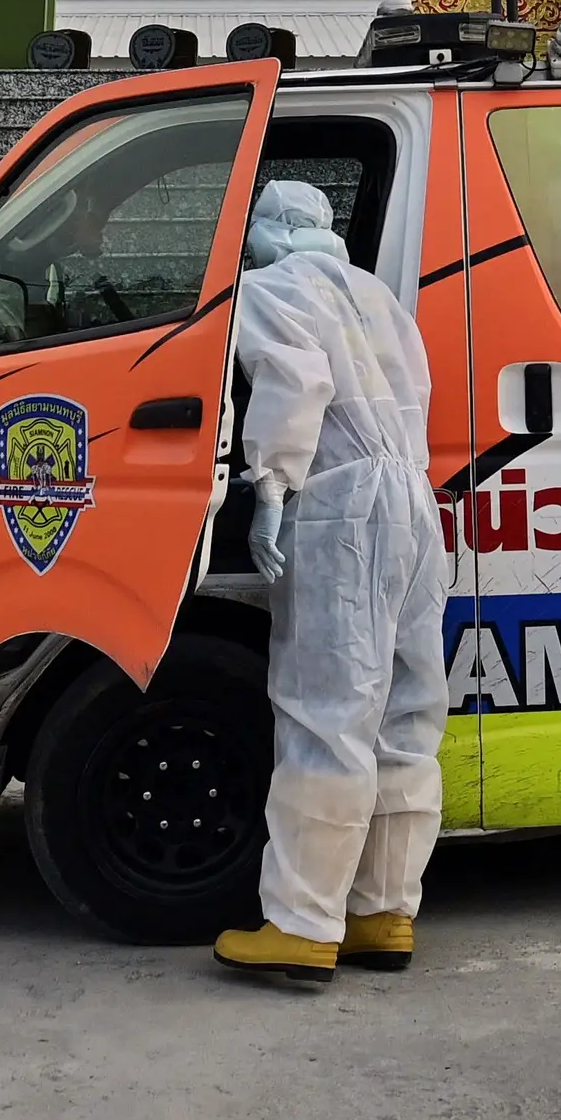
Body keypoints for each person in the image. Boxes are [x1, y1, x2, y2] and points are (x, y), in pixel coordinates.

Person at [212, 180, 448, 988]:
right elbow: (417, 396)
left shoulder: (271, 288)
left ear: (271, 231)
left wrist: (269, 488)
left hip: (342, 497)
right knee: (405, 712)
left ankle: (303, 923)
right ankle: (383, 911)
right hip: (415, 495)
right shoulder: (377, 295)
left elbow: (292, 382)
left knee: (327, 707)